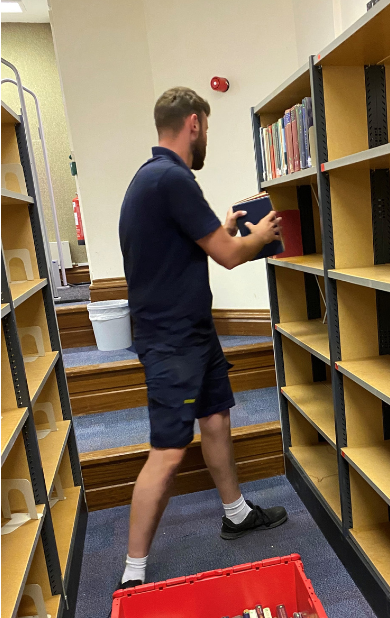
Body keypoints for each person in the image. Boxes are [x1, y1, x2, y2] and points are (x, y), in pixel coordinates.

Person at [116, 87, 287, 591]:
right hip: (173, 340)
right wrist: (264, 233)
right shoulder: (174, 178)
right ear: (194, 123)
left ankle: (235, 513)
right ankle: (132, 572)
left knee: (214, 416)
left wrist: (228, 226)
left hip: (190, 330)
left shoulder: (152, 178)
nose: (205, 136)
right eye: (206, 127)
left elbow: (199, 241)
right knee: (169, 451)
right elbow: (230, 256)